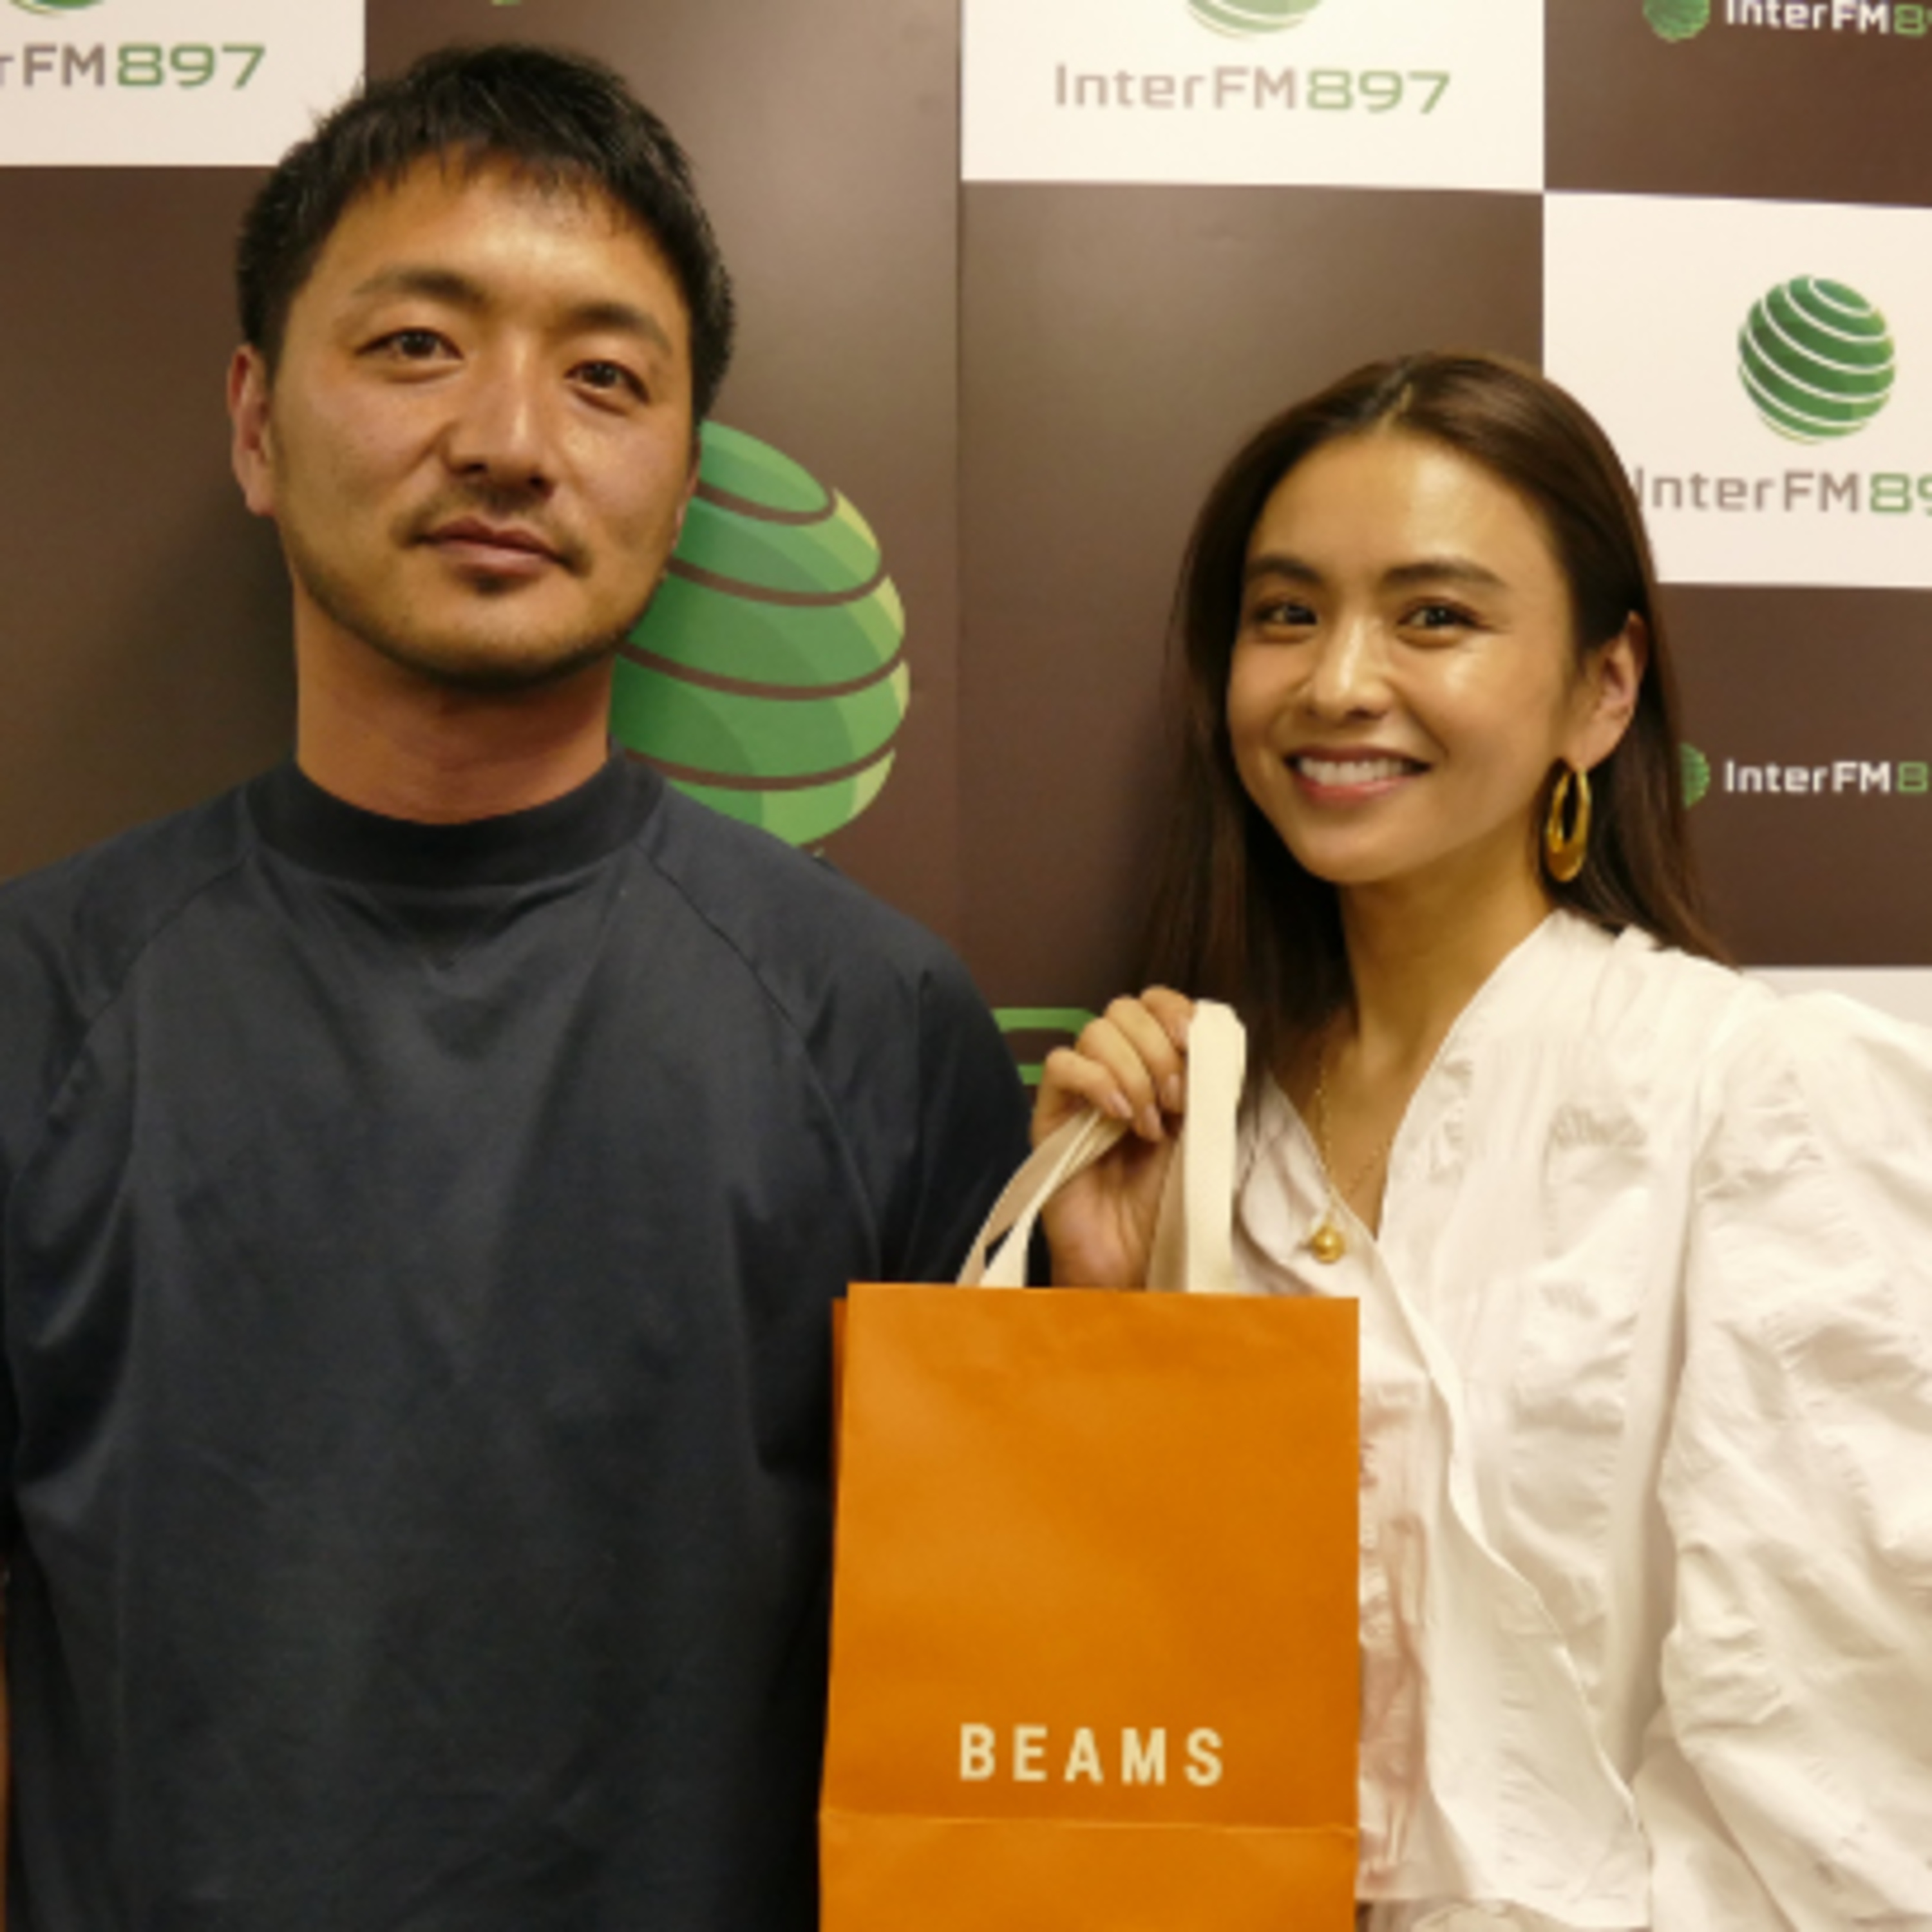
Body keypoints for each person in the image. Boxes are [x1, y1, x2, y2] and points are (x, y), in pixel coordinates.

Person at [0, 43, 1027, 1931]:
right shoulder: (34, 1005)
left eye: (605, 376)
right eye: (417, 346)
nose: (509, 440)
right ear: (255, 421)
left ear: (687, 480)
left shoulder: (879, 1026)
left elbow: (1006, 1706)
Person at [1036, 352, 1932, 1930]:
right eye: (1286, 613)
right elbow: (1131, 1710)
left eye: (1434, 615)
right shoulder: (1203, 1143)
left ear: (1604, 689)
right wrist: (1119, 1320)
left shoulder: (1754, 1098)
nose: (1336, 682)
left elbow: (1842, 1800)